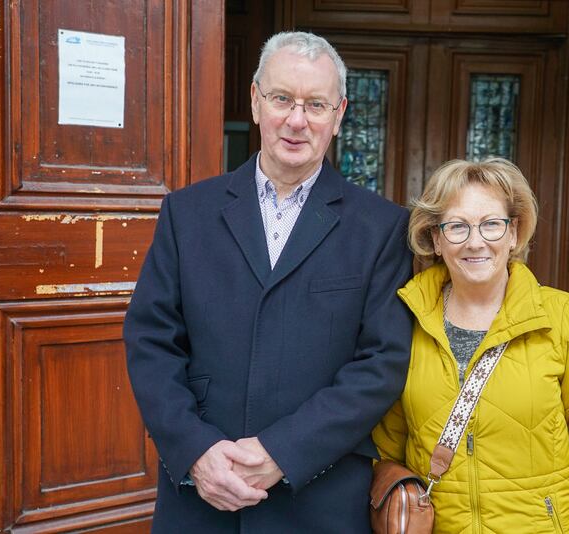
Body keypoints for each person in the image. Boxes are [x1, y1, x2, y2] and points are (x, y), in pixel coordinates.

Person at [124, 31, 413, 533]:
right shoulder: (186, 213)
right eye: (282, 98)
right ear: (256, 101)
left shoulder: (382, 229)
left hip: (317, 502)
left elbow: (381, 362)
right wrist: (196, 451)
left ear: (339, 114)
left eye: (315, 104)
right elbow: (151, 341)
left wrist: (283, 451)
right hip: (202, 498)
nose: (296, 120)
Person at [373, 158, 569, 533]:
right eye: (457, 226)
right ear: (436, 238)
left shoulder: (563, 317)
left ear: (514, 233)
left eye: (491, 224)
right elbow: (386, 449)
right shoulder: (406, 321)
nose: (476, 241)